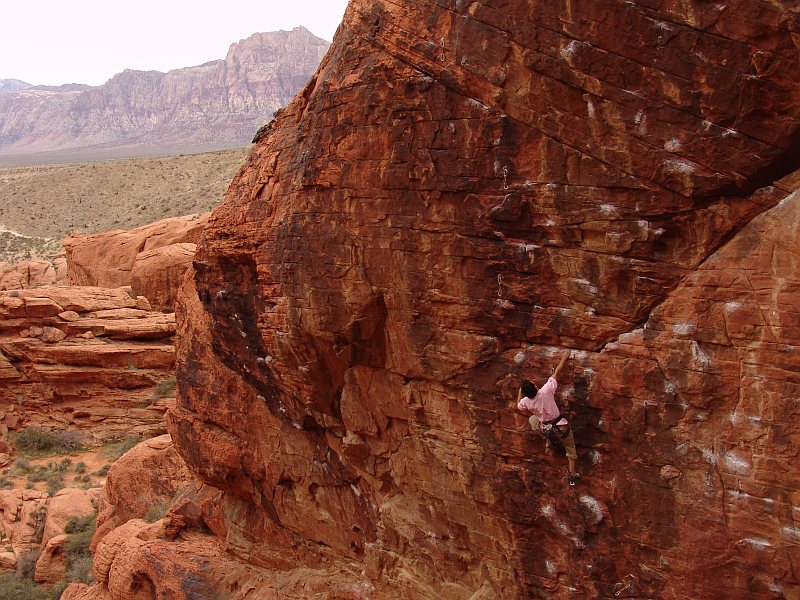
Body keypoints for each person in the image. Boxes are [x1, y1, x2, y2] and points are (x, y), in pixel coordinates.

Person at [515, 349, 580, 485]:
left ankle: (547, 440)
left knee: (533, 419)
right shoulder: (546, 390)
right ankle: (572, 474)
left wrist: (520, 391)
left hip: (546, 428)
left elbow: (518, 405)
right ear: (535, 386)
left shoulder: (526, 401)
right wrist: (564, 356)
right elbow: (557, 372)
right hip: (561, 427)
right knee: (571, 449)